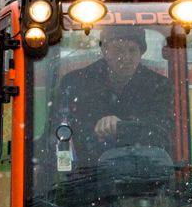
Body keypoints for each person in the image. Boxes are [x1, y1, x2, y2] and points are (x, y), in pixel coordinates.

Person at [55, 23, 174, 165]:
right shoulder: (75, 83)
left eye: (132, 50)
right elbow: (60, 131)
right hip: (85, 175)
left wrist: (121, 127)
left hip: (147, 173)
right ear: (105, 50)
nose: (125, 57)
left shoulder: (160, 86)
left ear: (141, 53)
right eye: (118, 50)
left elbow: (163, 134)